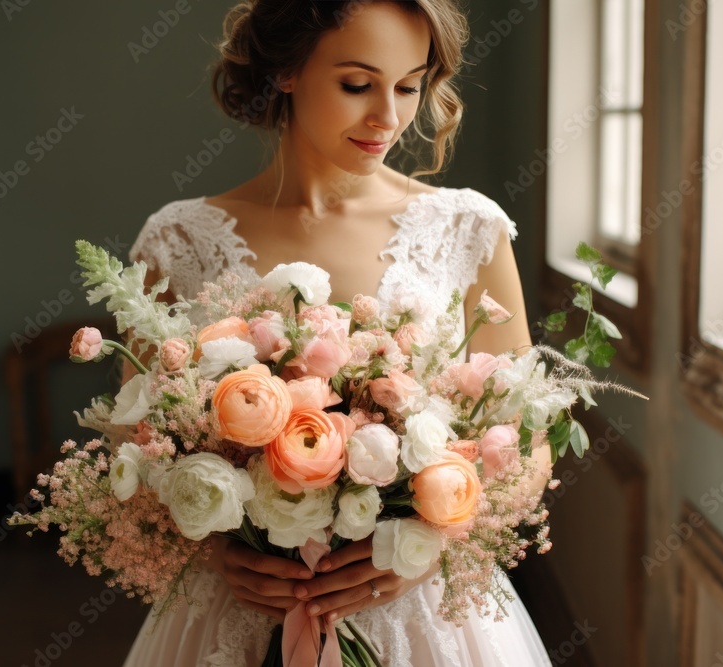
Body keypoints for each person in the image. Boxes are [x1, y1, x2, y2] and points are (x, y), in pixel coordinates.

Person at [121, 1, 553, 664]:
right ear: (288, 70)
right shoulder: (177, 242)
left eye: (409, 86)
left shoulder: (469, 232)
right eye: (358, 84)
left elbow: (526, 449)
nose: (389, 117)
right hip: (234, 617)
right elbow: (136, 452)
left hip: (424, 618)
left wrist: (430, 543)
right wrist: (215, 547)